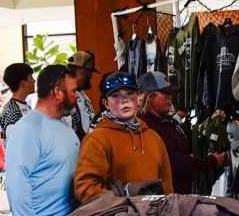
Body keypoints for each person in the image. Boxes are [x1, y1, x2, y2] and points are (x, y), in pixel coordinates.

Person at [74, 71, 172, 203]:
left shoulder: (154, 137)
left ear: (139, 98)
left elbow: (167, 186)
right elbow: (85, 189)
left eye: (130, 93)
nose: (124, 100)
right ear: (106, 103)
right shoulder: (96, 140)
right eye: (115, 95)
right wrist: (124, 198)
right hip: (118, 215)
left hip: (154, 214)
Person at [6, 65, 81, 216]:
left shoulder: (66, 128)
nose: (77, 96)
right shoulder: (28, 129)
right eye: (74, 91)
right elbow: (16, 182)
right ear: (57, 92)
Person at [138, 70, 225, 194]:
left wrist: (211, 123)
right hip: (163, 199)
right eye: (165, 93)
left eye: (170, 94)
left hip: (178, 195)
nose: (170, 98)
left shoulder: (167, 121)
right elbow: (175, 163)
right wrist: (212, 162)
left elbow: (191, 138)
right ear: (149, 96)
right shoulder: (147, 126)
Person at [0, 62, 34, 143]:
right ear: (23, 83)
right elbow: (14, 143)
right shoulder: (11, 110)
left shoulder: (26, 107)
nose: (34, 81)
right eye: (31, 77)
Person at [66, 50, 98, 139]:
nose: (91, 77)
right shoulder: (68, 96)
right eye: (90, 73)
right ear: (83, 71)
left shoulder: (79, 92)